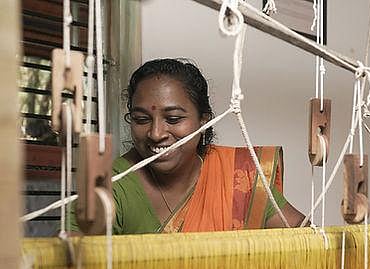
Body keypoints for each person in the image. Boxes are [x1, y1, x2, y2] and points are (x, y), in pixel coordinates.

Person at [73, 58, 305, 234]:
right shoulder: (113, 185)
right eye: (141, 119)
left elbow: (307, 239)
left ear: (203, 121)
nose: (155, 134)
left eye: (173, 119)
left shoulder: (238, 176)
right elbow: (72, 263)